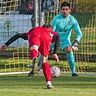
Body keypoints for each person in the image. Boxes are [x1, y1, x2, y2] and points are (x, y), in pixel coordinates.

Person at [0, 24, 59, 89]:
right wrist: (54, 53)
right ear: (51, 29)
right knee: (44, 60)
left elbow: (18, 35)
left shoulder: (37, 29)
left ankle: (34, 57)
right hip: (46, 37)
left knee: (34, 48)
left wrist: (6, 45)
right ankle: (48, 83)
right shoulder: (52, 32)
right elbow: (58, 37)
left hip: (35, 33)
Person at [51, 1, 82, 77]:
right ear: (60, 10)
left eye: (66, 9)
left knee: (69, 50)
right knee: (42, 52)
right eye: (63, 9)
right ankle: (35, 69)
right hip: (54, 39)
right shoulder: (56, 19)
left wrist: (76, 41)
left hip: (65, 41)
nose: (65, 11)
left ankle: (73, 72)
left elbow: (79, 34)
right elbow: (52, 32)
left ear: (70, 10)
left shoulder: (73, 20)